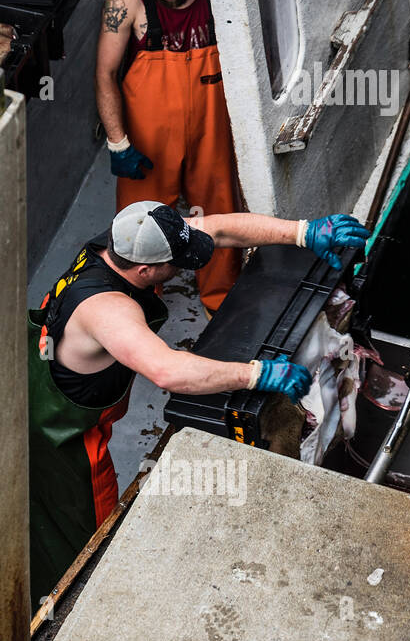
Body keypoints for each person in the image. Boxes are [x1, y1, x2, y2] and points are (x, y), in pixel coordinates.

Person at [27, 202, 369, 608]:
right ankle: (79, 604)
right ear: (146, 272)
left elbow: (219, 231)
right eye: (178, 265)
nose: (185, 270)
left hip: (44, 365)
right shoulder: (110, 311)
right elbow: (168, 371)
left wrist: (303, 232)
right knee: (85, 530)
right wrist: (258, 375)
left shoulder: (127, 237)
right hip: (62, 430)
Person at [95, 0, 241, 314]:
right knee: (141, 223)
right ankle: (137, 306)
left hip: (211, 124)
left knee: (218, 208)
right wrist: (118, 141)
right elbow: (106, 74)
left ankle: (220, 304)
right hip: (149, 134)